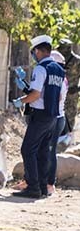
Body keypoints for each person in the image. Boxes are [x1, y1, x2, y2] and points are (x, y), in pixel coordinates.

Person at [11, 35, 65, 199]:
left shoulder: (41, 69)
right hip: (52, 116)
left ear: (39, 51)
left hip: (40, 116)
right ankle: (42, 187)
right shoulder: (59, 70)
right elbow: (53, 94)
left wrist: (21, 101)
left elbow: (36, 94)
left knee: (27, 149)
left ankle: (33, 186)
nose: (34, 55)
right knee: (42, 152)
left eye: (34, 51)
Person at [45, 51, 69, 195]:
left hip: (55, 118)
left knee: (49, 150)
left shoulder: (58, 79)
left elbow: (57, 97)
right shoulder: (61, 78)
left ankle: (49, 184)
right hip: (57, 118)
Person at [57, 39, 79, 129]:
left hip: (71, 95)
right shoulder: (58, 59)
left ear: (68, 49)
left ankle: (67, 139)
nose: (60, 52)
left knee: (69, 117)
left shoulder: (77, 61)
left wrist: (77, 89)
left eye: (62, 49)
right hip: (58, 94)